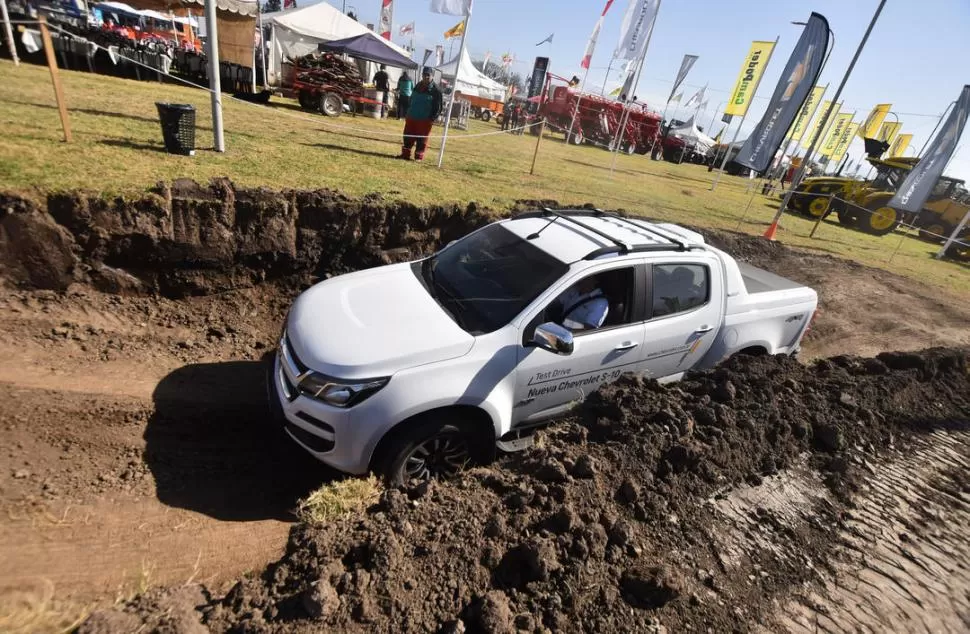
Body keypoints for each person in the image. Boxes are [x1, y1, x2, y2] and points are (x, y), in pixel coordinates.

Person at [399, 69, 442, 161]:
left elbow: (438, 107)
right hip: (412, 117)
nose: (426, 77)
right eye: (424, 75)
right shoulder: (418, 85)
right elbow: (411, 99)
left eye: (428, 75)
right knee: (407, 136)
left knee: (421, 140)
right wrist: (408, 112)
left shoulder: (436, 90)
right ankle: (405, 154)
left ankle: (418, 157)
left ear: (432, 76)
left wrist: (432, 118)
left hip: (424, 120)